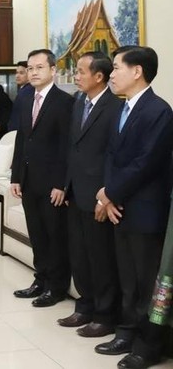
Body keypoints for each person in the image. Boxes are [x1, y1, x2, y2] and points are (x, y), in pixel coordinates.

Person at [93, 46, 173, 369]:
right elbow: (112, 157)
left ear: (137, 71)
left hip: (145, 211)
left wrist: (110, 193)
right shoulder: (121, 109)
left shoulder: (159, 111)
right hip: (120, 207)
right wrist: (108, 197)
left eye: (116, 68)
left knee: (146, 283)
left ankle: (150, 345)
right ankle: (127, 332)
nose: (111, 74)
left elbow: (145, 164)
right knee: (127, 278)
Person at [57, 52, 122, 338]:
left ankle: (105, 315)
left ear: (99, 76)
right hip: (76, 193)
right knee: (79, 255)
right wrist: (66, 185)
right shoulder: (79, 102)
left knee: (101, 258)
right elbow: (73, 149)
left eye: (82, 71)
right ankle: (84, 306)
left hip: (98, 196)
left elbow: (114, 156)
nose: (76, 76)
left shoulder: (115, 108)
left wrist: (104, 197)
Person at [10, 48, 74, 308]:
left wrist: (62, 184)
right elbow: (21, 139)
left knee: (54, 234)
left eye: (39, 67)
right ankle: (41, 279)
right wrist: (16, 176)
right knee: (36, 233)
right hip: (28, 181)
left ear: (52, 71)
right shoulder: (25, 99)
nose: (33, 72)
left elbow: (67, 147)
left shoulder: (65, 102)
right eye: (30, 68)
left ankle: (56, 287)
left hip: (52, 184)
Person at [8, 60, 32, 132]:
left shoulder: (28, 91)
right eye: (16, 73)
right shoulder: (23, 90)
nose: (17, 76)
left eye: (21, 73)